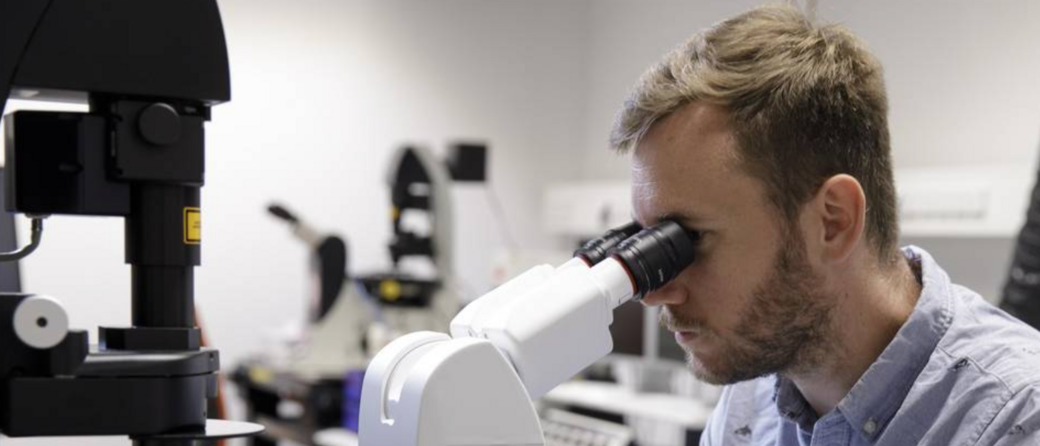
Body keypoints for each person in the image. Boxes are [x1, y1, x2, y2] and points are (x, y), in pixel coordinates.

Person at [610, 4, 1040, 445]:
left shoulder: (1017, 419)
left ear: (833, 221)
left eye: (690, 239)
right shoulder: (750, 397)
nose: (657, 294)